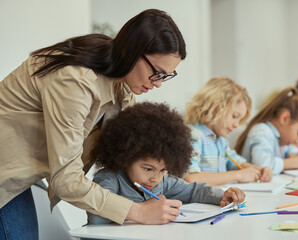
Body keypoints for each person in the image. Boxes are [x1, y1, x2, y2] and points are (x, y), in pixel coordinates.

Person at [0, 9, 187, 238]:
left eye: (166, 75)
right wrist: (138, 211)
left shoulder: (122, 85)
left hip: (17, 173)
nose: (158, 84)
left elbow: (134, 154)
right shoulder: (75, 82)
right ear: (131, 50)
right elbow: (66, 179)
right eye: (156, 73)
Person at [87, 102, 246, 225]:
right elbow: (96, 217)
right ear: (125, 157)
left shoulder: (161, 182)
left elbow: (192, 190)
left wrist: (222, 196)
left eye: (163, 170)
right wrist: (142, 211)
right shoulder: (109, 179)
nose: (155, 178)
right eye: (148, 169)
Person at [183, 77, 273, 186]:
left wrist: (259, 170)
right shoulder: (193, 136)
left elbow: (236, 161)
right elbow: (190, 178)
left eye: (240, 120)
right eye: (234, 116)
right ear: (215, 107)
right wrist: (238, 175)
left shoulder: (220, 141)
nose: (236, 125)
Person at [235, 87, 298, 175]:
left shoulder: (284, 139)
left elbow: (291, 149)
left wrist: (295, 155)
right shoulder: (262, 131)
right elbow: (261, 164)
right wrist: (293, 162)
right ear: (285, 118)